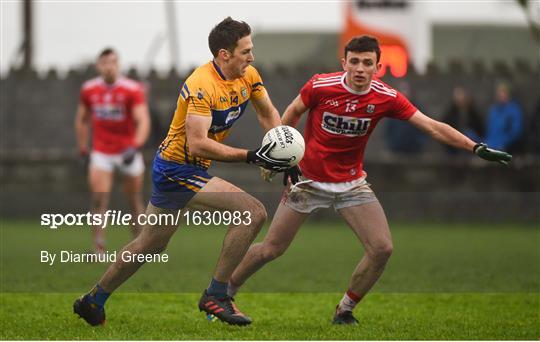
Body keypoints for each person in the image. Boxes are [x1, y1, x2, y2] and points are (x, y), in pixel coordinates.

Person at [227, 36, 512, 325]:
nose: (360, 68)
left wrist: (474, 147)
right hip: (308, 181)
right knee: (272, 248)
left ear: (378, 66)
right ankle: (223, 293)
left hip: (352, 184)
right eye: (354, 61)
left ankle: (345, 310)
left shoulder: (386, 97)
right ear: (344, 63)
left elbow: (431, 127)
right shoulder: (321, 86)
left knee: (382, 248)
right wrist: (280, 156)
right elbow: (292, 112)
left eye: (367, 63)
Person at [73, 17, 290, 327]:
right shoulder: (201, 85)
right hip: (177, 168)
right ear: (224, 54)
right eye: (245, 51)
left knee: (150, 243)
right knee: (252, 212)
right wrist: (252, 156)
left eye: (251, 49)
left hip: (184, 168)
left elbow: (268, 114)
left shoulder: (248, 75)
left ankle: (93, 300)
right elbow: (199, 144)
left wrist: (280, 151)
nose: (251, 57)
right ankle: (216, 295)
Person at [75, 48, 151, 254]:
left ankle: (139, 247)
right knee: (99, 198)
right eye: (105, 62)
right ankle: (98, 247)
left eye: (113, 62)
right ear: (98, 66)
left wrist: (135, 146)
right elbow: (82, 120)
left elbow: (142, 120)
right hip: (101, 152)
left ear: (119, 65)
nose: (109, 66)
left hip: (128, 150)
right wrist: (83, 149)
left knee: (134, 199)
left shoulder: (132, 89)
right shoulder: (89, 90)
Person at [484, 82, 523, 152]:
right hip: (490, 145)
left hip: (506, 147)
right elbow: (489, 130)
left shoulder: (514, 110)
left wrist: (502, 143)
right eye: (499, 93)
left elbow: (516, 131)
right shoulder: (493, 110)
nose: (501, 95)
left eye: (503, 92)